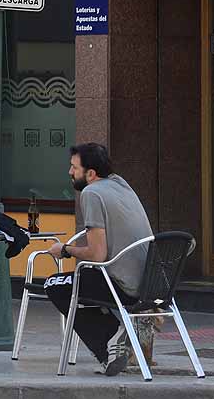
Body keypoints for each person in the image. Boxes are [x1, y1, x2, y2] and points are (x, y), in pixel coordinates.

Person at [45, 143, 154, 377]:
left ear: (91, 174)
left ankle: (110, 346)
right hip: (151, 284)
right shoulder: (120, 184)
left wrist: (65, 249)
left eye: (74, 167)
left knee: (54, 285)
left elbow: (97, 255)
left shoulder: (91, 193)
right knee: (84, 280)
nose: (69, 172)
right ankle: (123, 332)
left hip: (124, 287)